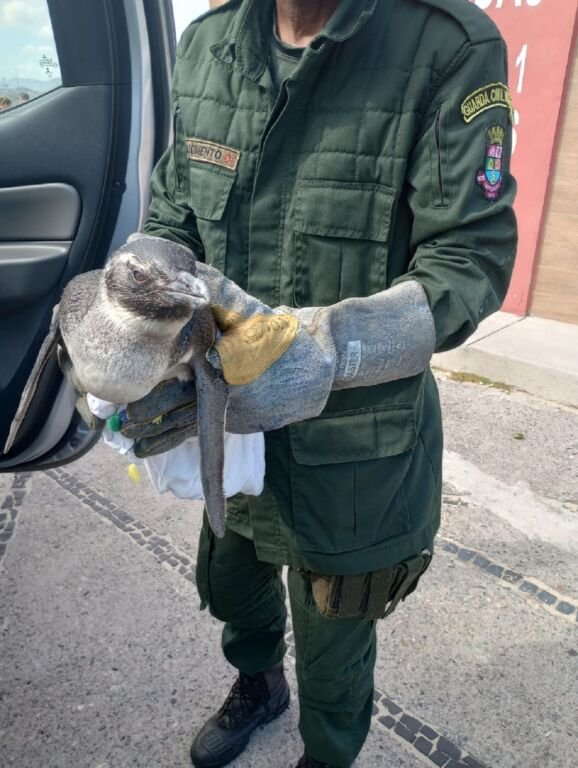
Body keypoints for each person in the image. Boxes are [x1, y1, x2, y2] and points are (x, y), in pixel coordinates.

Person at [66, 0, 518, 766]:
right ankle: (257, 683)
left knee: (335, 635)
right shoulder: (210, 45)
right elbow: (176, 211)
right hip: (227, 419)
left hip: (351, 445)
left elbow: (468, 262)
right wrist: (140, 288)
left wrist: (330, 348)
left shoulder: (445, 46)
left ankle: (327, 751)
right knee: (231, 585)